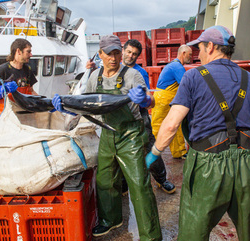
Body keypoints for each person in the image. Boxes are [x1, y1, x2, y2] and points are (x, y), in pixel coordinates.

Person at [145, 26, 250, 241]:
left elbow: (171, 125)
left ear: (211, 46)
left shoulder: (193, 77)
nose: (198, 54)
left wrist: (154, 153)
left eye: (200, 48)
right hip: (248, 164)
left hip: (208, 167)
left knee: (194, 231)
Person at [53, 35, 162, 240]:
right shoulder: (95, 76)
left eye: (117, 53)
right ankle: (110, 220)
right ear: (100, 54)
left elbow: (151, 102)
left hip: (130, 136)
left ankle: (151, 235)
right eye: (109, 54)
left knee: (139, 185)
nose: (114, 58)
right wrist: (68, 108)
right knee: (105, 180)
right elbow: (88, 104)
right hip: (107, 134)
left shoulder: (132, 75)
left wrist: (145, 99)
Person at [122, 39, 176, 194]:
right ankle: (123, 184)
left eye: (134, 54)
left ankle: (161, 179)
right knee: (120, 151)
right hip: (119, 117)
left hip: (139, 115)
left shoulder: (141, 72)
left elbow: (148, 100)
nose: (131, 56)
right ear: (123, 50)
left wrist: (144, 99)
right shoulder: (113, 69)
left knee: (149, 146)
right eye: (129, 52)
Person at [0, 38, 37, 132]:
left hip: (21, 119)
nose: (31, 55)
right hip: (2, 121)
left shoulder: (27, 70)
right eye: (28, 52)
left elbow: (31, 91)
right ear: (18, 51)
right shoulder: (2, 71)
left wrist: (47, 103)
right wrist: (3, 89)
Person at [151, 45, 192, 159]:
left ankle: (180, 152)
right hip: (163, 99)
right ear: (183, 53)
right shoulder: (177, 67)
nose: (191, 57)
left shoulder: (174, 65)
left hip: (168, 99)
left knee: (176, 125)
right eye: (189, 54)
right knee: (157, 126)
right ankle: (148, 150)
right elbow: (186, 86)